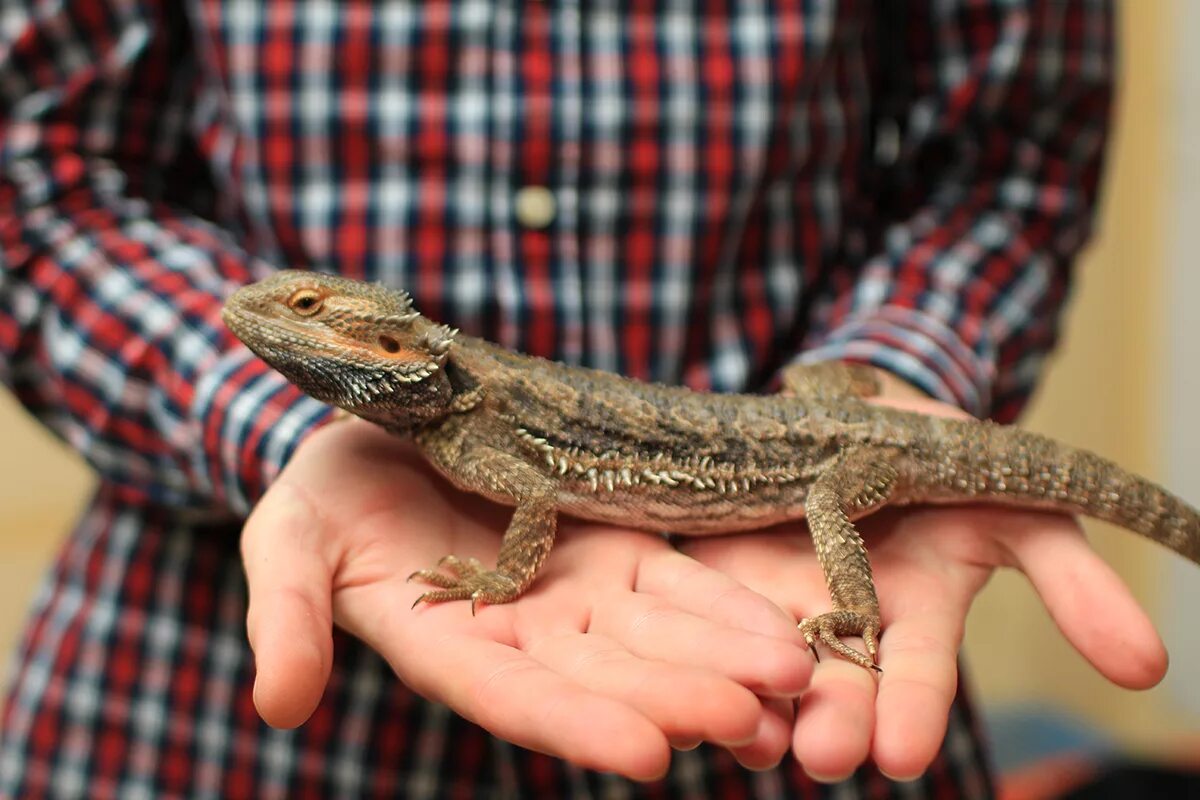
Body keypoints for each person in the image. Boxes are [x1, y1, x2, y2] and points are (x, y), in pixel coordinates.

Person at [0, 0, 1161, 796]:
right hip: (181, 709)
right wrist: (271, 425)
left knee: (831, 505)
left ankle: (850, 612)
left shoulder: (477, 438)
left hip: (807, 559)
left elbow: (1015, 154)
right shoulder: (457, 419)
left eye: (307, 309)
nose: (271, 312)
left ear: (390, 339)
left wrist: (904, 366)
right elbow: (35, 183)